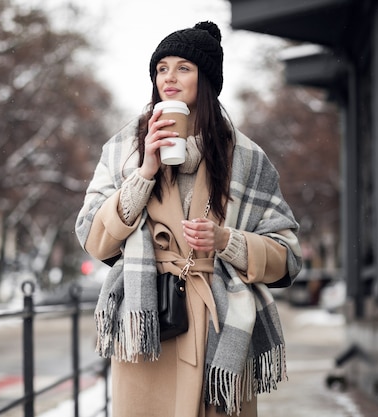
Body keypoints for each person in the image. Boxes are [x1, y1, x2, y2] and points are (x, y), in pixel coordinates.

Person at [75, 21, 302, 417]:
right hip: (149, 326)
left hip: (220, 329)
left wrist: (226, 241)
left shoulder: (247, 160)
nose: (170, 78)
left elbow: (288, 256)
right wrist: (144, 172)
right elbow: (94, 239)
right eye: (162, 68)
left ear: (207, 79)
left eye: (183, 67)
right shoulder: (124, 150)